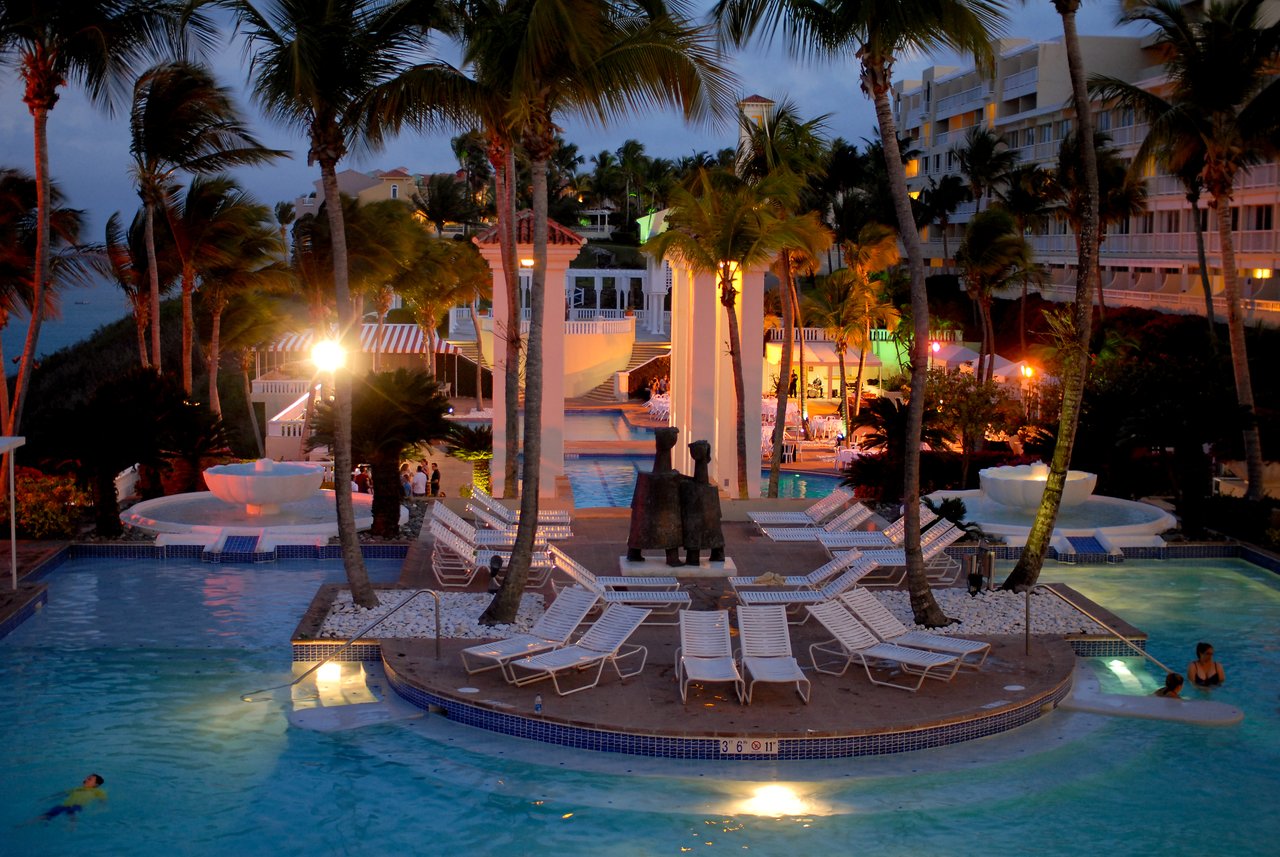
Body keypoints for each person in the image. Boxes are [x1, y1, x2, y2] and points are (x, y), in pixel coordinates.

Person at [40, 774, 106, 822]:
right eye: (86, 778)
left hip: (77, 806)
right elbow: (62, 794)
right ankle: (31, 823)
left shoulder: (98, 791)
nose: (86, 779)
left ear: (96, 784)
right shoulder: (76, 789)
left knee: (72, 816)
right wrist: (48, 798)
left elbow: (102, 800)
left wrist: (100, 808)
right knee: (47, 814)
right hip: (64, 805)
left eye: (89, 779)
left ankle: (70, 831)